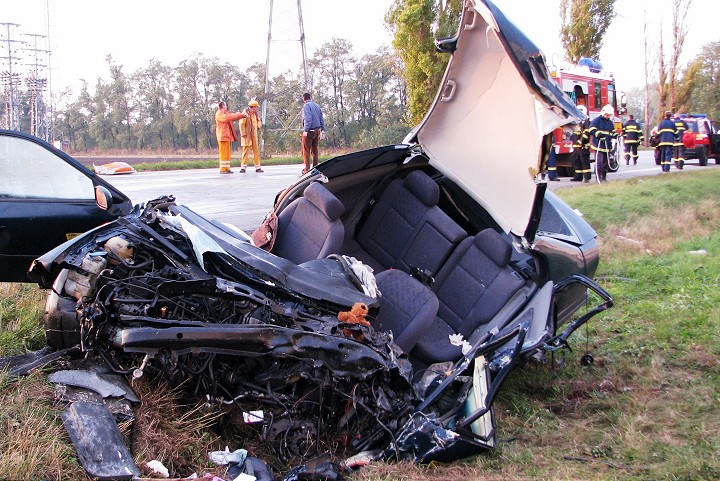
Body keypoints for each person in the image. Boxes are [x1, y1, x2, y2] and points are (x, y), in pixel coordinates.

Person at [585, 104, 617, 183]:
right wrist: (598, 135)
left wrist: (615, 135)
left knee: (605, 163)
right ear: (603, 113)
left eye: (609, 115)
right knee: (599, 162)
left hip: (607, 145)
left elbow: (612, 132)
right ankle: (598, 177)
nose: (607, 116)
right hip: (598, 145)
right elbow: (591, 130)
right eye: (606, 114)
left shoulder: (610, 123)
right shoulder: (596, 120)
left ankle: (604, 177)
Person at [215, 101, 247, 174]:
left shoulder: (224, 113)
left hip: (226, 136)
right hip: (222, 136)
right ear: (223, 106)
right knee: (223, 153)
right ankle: (223, 169)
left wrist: (239, 115)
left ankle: (227, 168)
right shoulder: (219, 114)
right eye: (225, 106)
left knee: (227, 153)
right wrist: (239, 115)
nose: (226, 107)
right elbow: (228, 118)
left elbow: (231, 116)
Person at [300, 92, 325, 174]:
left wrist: (305, 130)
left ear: (304, 99)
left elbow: (308, 118)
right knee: (315, 150)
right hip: (317, 130)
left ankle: (307, 169)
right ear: (310, 97)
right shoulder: (317, 106)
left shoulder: (306, 106)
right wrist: (323, 130)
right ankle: (315, 168)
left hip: (310, 130)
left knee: (306, 150)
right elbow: (321, 118)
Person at [239, 100, 263, 173]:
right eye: (256, 107)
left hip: (254, 135)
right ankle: (243, 167)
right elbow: (241, 124)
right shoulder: (245, 114)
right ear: (252, 107)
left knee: (256, 150)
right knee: (245, 150)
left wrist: (258, 126)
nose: (256, 108)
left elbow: (259, 121)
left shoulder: (255, 114)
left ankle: (257, 167)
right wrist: (243, 133)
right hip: (247, 135)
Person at [571, 105, 592, 182]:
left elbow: (587, 132)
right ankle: (577, 177)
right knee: (576, 162)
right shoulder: (576, 121)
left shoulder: (587, 121)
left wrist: (581, 141)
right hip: (576, 146)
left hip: (583, 146)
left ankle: (587, 178)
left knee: (585, 162)